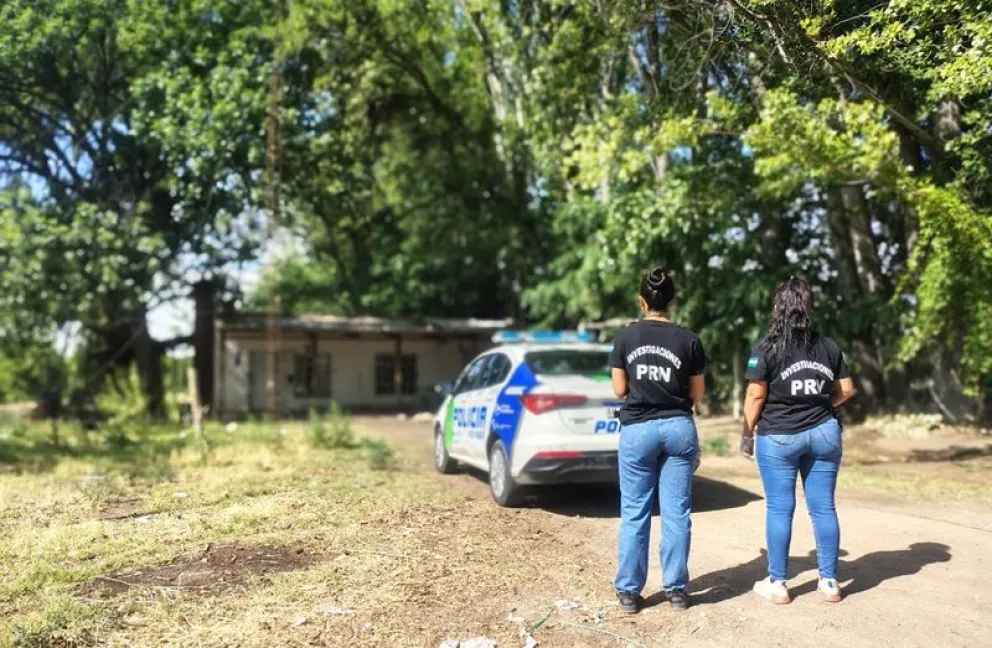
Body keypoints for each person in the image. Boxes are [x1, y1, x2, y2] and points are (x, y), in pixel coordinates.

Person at [741, 276, 857, 604]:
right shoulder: (828, 346)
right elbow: (846, 390)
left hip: (779, 436)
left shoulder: (765, 348)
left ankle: (778, 584)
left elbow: (754, 395)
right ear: (809, 306)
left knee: (780, 507)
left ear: (777, 307)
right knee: (823, 508)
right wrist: (821, 405)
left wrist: (748, 432)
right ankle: (830, 582)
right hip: (824, 433)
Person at [609, 267, 707, 613]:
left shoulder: (625, 338)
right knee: (676, 512)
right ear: (673, 300)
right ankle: (677, 591)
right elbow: (697, 393)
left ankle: (629, 594)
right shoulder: (689, 340)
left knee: (635, 512)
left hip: (637, 430)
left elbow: (619, 389)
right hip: (679, 427)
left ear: (641, 301)